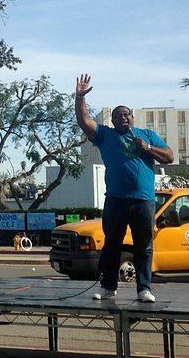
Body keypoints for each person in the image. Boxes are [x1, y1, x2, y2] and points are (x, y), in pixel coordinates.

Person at [75, 74, 174, 303]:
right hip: (116, 200)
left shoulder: (147, 135)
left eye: (126, 114)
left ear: (132, 117)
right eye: (118, 116)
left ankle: (144, 288)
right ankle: (109, 286)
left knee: (144, 246)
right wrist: (80, 97)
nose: (123, 118)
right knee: (112, 245)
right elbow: (84, 121)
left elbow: (169, 156)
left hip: (144, 200)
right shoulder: (105, 136)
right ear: (113, 122)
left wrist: (147, 147)